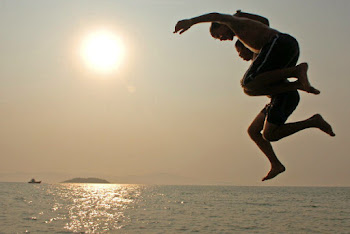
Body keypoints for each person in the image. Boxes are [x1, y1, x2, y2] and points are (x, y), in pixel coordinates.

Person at [174, 11, 335, 181]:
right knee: (257, 131)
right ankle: (277, 163)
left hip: (282, 47)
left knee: (248, 84)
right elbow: (265, 21)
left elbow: (218, 15)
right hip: (285, 64)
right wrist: (246, 14)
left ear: (221, 25)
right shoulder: (261, 54)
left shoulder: (237, 25)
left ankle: (297, 74)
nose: (221, 39)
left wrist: (191, 21)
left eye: (217, 35)